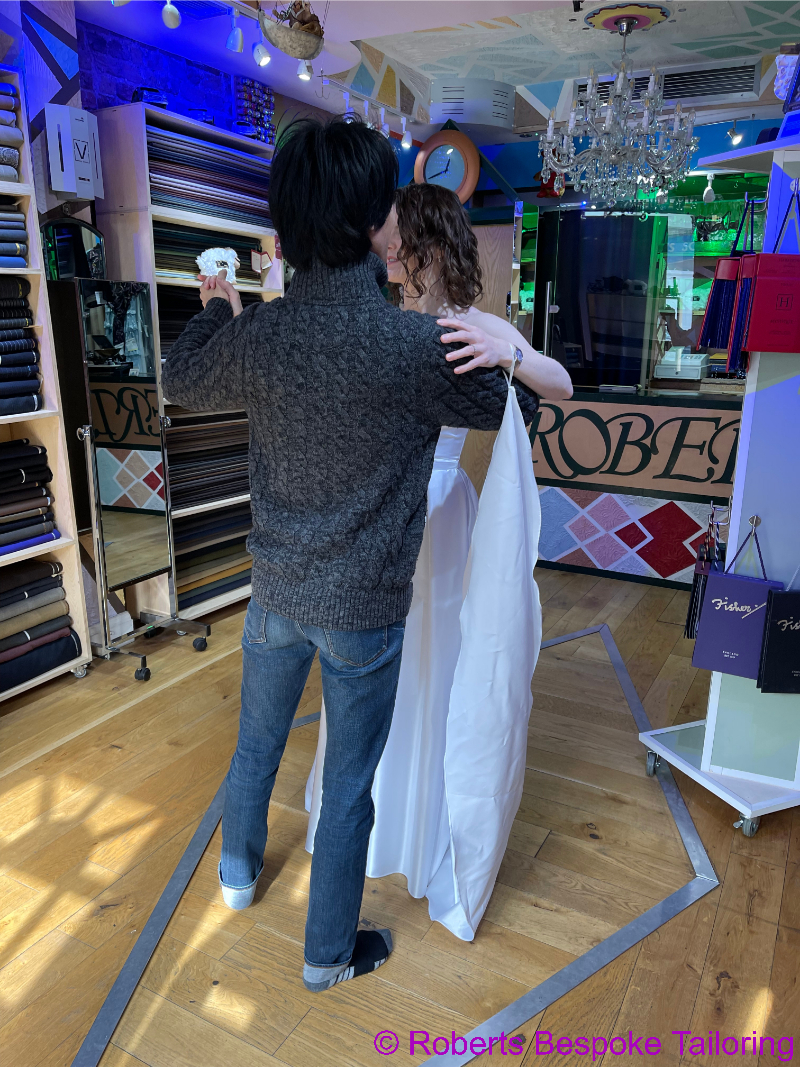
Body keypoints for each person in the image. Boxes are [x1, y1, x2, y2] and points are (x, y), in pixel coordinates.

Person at [160, 116, 541, 993]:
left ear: (288, 225)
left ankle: (236, 876)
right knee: (348, 785)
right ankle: (326, 954)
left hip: (275, 589)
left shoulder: (261, 334)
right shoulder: (412, 346)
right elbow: (508, 408)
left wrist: (218, 307)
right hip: (365, 606)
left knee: (256, 747)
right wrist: (504, 347)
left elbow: (180, 376)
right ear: (376, 222)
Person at [305, 183, 572, 939]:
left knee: (434, 664)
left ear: (425, 246)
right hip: (381, 507)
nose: (386, 252)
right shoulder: (380, 318)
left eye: (396, 242)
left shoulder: (470, 322)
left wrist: (510, 352)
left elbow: (560, 383)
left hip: (441, 509)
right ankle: (374, 825)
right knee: (380, 666)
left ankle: (426, 829)